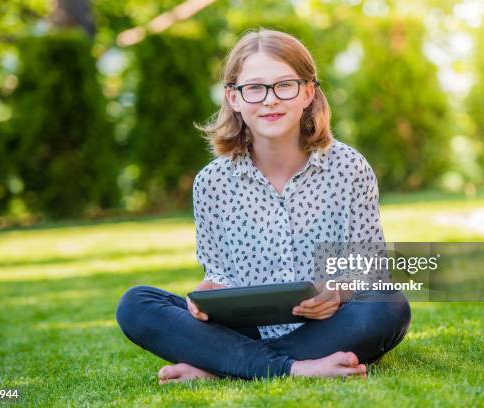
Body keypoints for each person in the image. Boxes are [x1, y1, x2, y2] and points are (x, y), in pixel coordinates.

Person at [116, 28, 411, 384]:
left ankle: (221, 368)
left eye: (284, 85)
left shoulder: (349, 168)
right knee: (137, 304)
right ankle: (297, 369)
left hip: (329, 326)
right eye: (254, 88)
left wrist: (338, 291)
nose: (270, 100)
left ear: (307, 92)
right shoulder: (211, 183)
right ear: (234, 98)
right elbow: (219, 275)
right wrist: (208, 294)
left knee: (389, 305)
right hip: (245, 331)